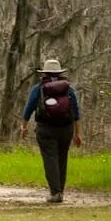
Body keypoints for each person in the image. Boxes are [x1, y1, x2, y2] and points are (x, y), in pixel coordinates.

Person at [20, 57, 82, 203]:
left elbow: (28, 109)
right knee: (62, 159)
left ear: (45, 73)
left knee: (50, 159)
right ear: (60, 73)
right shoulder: (69, 89)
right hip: (66, 129)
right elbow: (76, 113)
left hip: (45, 129)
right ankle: (61, 191)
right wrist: (78, 134)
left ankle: (55, 193)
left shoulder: (39, 88)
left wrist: (23, 127)